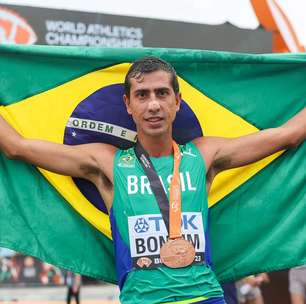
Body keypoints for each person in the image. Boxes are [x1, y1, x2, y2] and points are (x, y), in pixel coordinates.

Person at [0, 56, 305, 304]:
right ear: (128, 104)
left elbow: (287, 136)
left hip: (205, 297)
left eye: (162, 93)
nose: (153, 105)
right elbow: (16, 147)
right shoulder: (107, 163)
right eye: (142, 95)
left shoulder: (205, 155)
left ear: (178, 101)